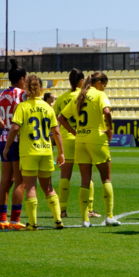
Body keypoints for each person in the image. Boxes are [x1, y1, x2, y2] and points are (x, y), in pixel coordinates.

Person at [3, 75, 64, 229]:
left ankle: (33, 223)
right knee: (48, 187)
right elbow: (56, 132)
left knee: (30, 187)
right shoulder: (47, 107)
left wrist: (7, 146)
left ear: (26, 88)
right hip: (46, 151)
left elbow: (15, 128)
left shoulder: (22, 106)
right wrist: (61, 152)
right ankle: (58, 220)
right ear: (41, 88)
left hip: (29, 152)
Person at [72, 72, 117, 227]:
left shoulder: (80, 96)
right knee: (106, 178)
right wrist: (110, 128)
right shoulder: (99, 94)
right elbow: (107, 111)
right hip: (96, 138)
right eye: (104, 84)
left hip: (80, 139)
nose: (104, 87)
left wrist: (74, 132)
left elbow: (61, 118)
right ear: (98, 83)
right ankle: (109, 216)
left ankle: (85, 220)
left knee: (85, 180)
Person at [54, 70, 98, 224]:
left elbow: (55, 121)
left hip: (65, 140)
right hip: (83, 138)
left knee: (64, 176)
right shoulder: (86, 96)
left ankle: (63, 210)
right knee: (87, 176)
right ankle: (90, 209)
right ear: (81, 81)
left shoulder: (61, 98)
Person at [0, 59, 27, 230]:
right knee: (20, 181)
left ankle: (1, 220)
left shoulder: (3, 94)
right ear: (21, 79)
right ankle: (14, 220)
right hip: (18, 141)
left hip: (3, 140)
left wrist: (4, 125)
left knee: (5, 182)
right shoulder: (23, 95)